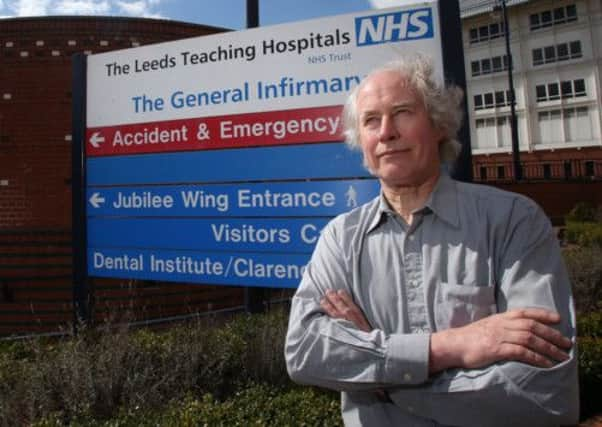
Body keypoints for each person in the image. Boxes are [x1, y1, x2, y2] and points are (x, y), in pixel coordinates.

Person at [284, 55, 579, 427]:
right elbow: (304, 351)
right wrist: (449, 348)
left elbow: (544, 394)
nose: (387, 132)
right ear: (362, 141)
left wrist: (381, 380)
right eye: (371, 120)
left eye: (403, 112)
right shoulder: (340, 239)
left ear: (438, 123)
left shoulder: (512, 222)